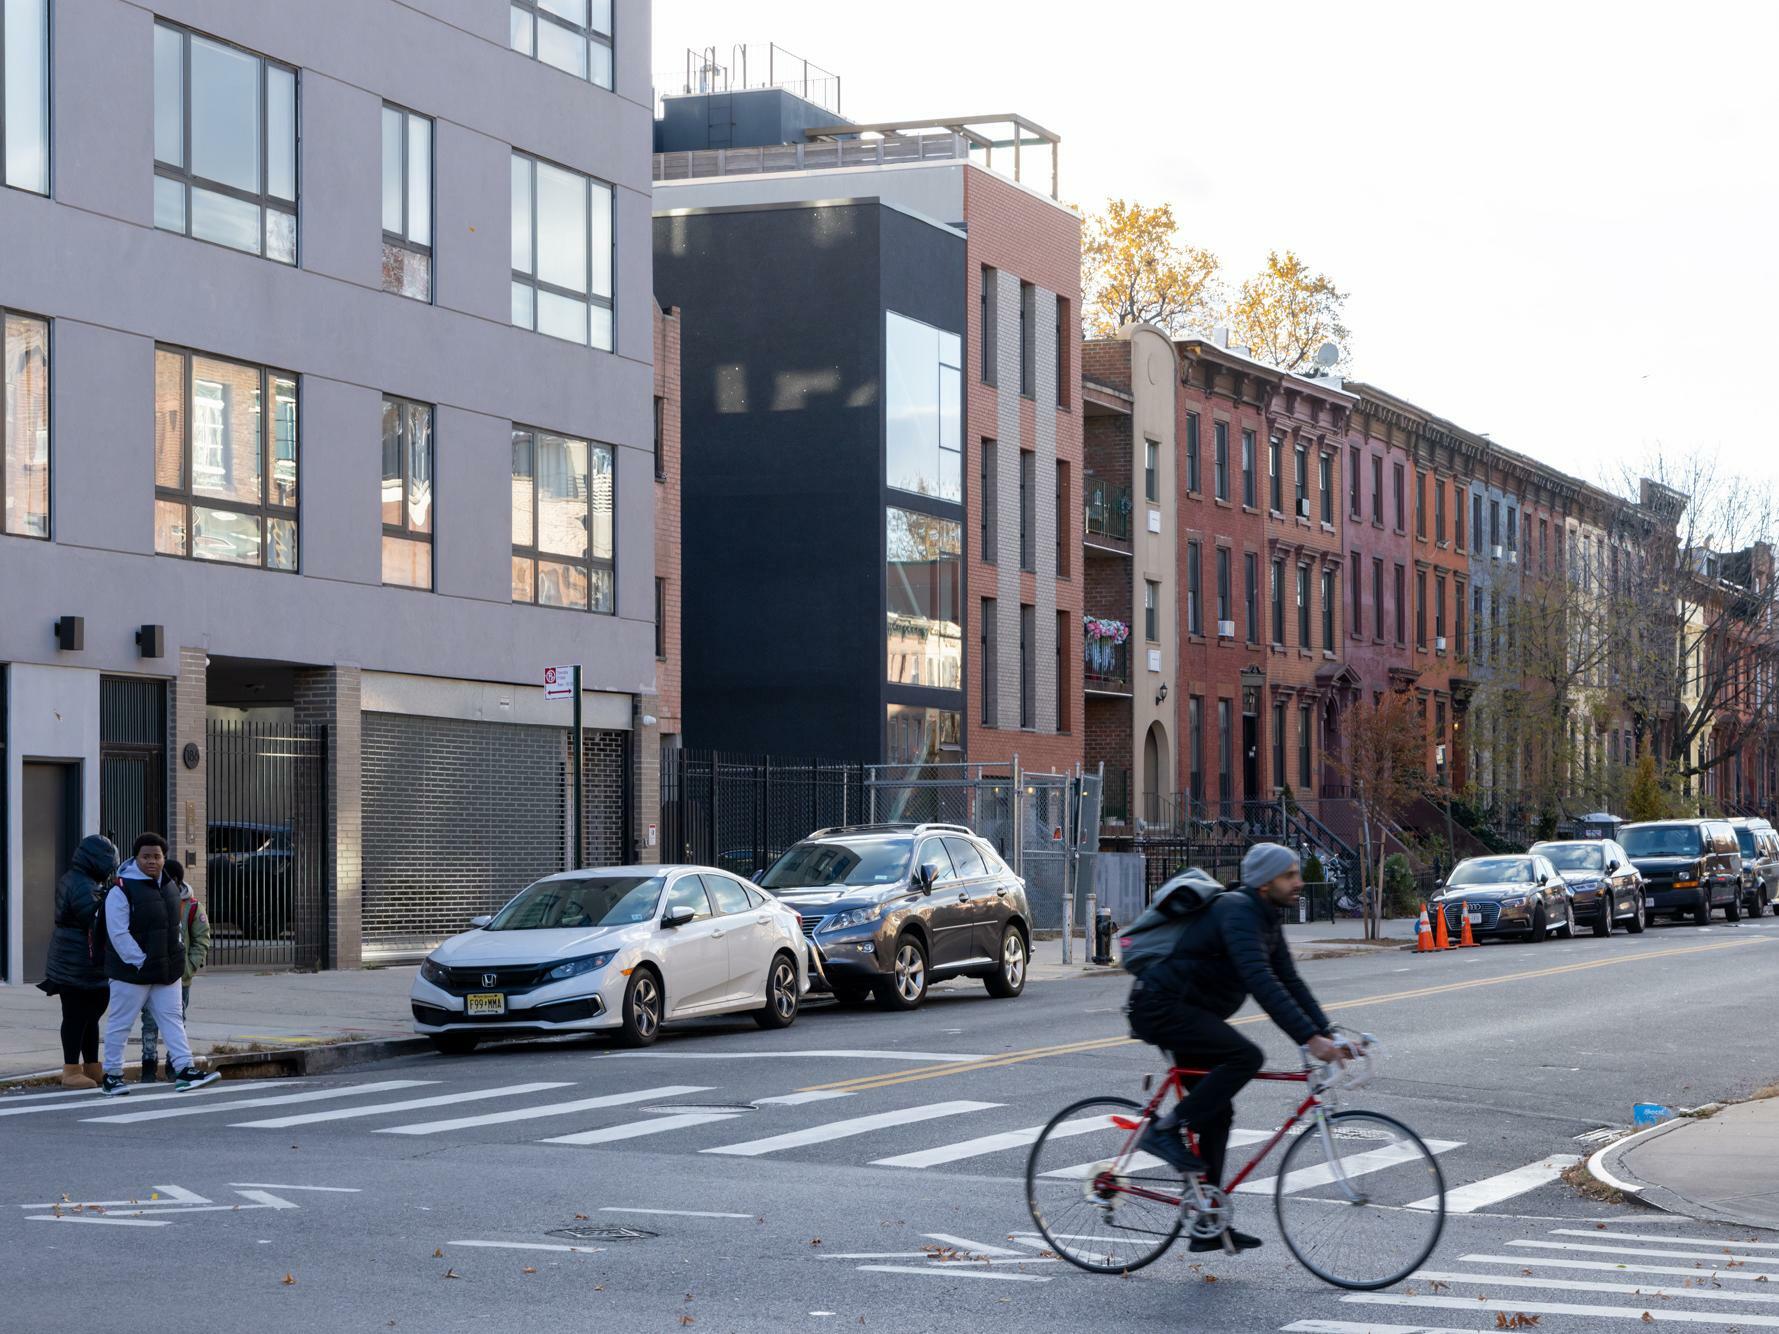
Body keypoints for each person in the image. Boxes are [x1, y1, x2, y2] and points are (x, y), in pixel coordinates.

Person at [1125, 842, 1346, 1254]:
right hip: (1160, 1007)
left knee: (1219, 1110)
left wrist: (1326, 1031)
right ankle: (1164, 1131)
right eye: (1290, 875)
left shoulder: (1265, 919)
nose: (1299, 882)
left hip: (1189, 1011)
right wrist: (1308, 1039)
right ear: (1265, 883)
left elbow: (1290, 982)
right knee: (1246, 1056)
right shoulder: (1237, 912)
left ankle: (1207, 1224)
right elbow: (1261, 983)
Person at [98, 834, 219, 1097]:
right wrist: (141, 962)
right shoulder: (121, 889)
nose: (152, 861)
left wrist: (176, 957)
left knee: (173, 1020)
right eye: (146, 856)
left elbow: (174, 928)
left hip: (167, 972)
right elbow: (118, 934)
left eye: (157, 856)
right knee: (121, 1023)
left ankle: (185, 1070)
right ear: (136, 858)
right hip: (131, 973)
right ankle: (112, 1076)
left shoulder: (170, 887)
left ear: (164, 858)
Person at [39, 835, 121, 1089]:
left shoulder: (82, 881)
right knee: (76, 1016)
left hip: (86, 962)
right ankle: (71, 1069)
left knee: (91, 1016)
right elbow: (92, 917)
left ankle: (92, 1066)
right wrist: (111, 902)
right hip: (74, 962)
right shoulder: (80, 884)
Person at [136, 859, 209, 1082]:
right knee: (149, 1021)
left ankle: (173, 1064)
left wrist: (188, 968)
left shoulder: (191, 906)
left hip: (179, 976)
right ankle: (148, 1065)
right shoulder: (147, 899)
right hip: (152, 972)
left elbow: (202, 939)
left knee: (176, 1020)